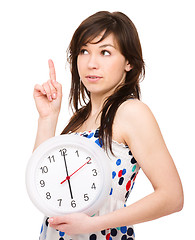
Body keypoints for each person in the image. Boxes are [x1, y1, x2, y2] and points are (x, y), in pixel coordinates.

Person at [33, 11, 183, 240]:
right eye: (84, 51)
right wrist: (47, 118)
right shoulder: (79, 120)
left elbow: (172, 197)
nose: (92, 63)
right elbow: (41, 187)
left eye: (105, 52)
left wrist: (94, 224)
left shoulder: (131, 112)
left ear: (129, 62)